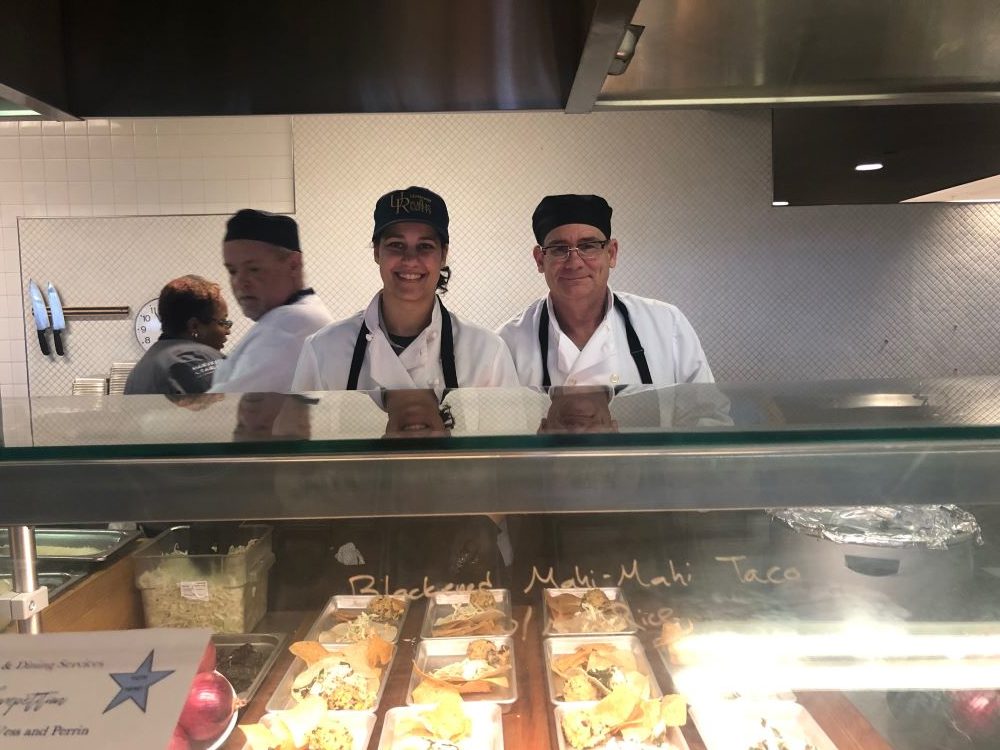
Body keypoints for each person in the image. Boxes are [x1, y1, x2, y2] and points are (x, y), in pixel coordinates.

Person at [292, 186, 517, 391]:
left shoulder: (488, 354)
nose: (410, 259)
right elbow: (300, 435)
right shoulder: (322, 351)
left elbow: (509, 436)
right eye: (396, 245)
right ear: (377, 253)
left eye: (425, 246)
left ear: (443, 255)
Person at [498, 194, 714, 388]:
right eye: (559, 249)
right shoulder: (507, 343)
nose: (574, 263)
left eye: (588, 246)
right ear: (540, 259)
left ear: (611, 253)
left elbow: (706, 419)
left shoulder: (667, 325)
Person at [210, 209, 333, 393]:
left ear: (293, 265)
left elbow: (225, 409)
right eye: (232, 271)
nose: (240, 283)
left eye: (254, 269)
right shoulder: (299, 316)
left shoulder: (292, 324)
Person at [124, 275, 230, 395]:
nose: (228, 331)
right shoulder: (198, 361)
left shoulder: (139, 372)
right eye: (223, 322)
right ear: (194, 326)